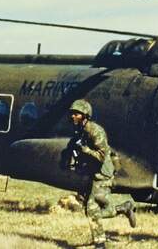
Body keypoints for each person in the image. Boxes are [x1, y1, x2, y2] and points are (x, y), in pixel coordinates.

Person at [61, 99, 137, 249]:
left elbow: (102, 156)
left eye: (76, 114)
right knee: (92, 210)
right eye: (72, 113)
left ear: (85, 115)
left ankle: (101, 243)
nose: (73, 116)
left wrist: (85, 150)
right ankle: (123, 210)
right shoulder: (80, 130)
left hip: (103, 174)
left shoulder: (95, 131)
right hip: (93, 173)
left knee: (92, 210)